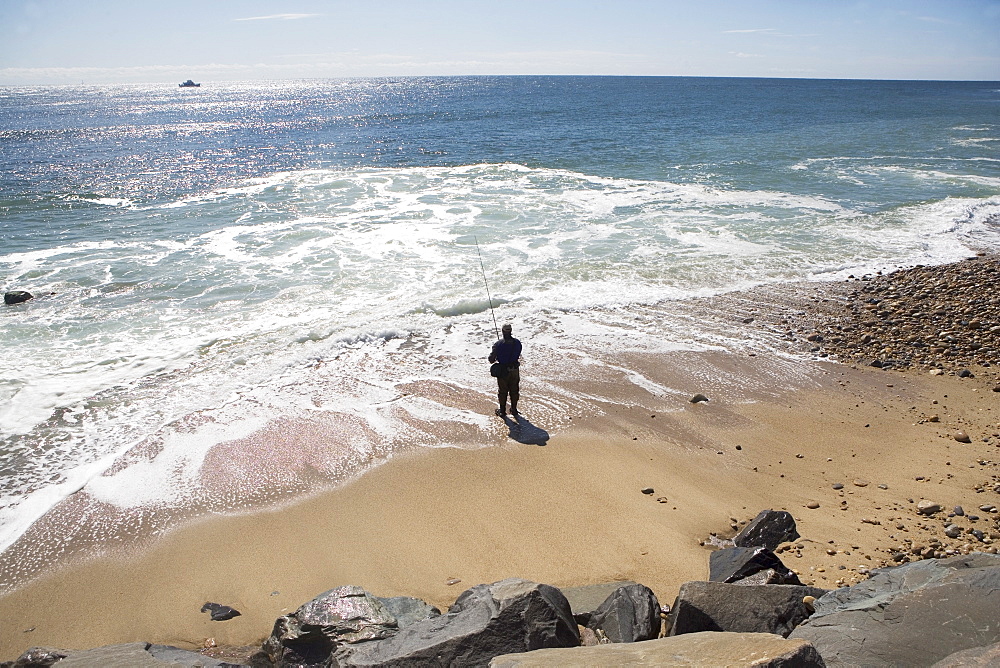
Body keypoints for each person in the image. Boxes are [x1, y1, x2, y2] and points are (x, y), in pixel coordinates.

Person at [489, 323, 522, 417]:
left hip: (503, 372)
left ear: (502, 331)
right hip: (515, 370)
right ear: (511, 331)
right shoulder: (517, 343)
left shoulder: (498, 344)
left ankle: (502, 411)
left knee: (503, 391)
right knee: (514, 390)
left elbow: (491, 359)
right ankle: (514, 410)